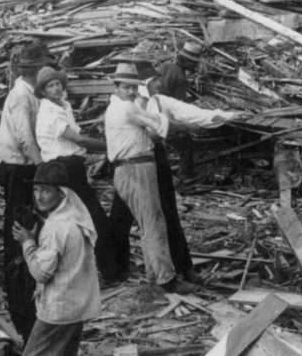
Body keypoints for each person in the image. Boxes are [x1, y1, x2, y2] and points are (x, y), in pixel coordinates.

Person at [111, 72, 243, 283]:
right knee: (122, 217)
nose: (157, 84)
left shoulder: (159, 101)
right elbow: (159, 126)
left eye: (156, 80)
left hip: (154, 158)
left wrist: (223, 116)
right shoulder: (123, 105)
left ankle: (182, 268)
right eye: (152, 81)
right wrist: (179, 126)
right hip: (132, 162)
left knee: (167, 213)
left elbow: (190, 112)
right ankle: (118, 270)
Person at [104, 63, 193, 293]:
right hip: (135, 168)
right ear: (116, 87)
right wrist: (188, 123)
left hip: (135, 167)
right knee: (154, 225)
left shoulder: (122, 106)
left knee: (149, 223)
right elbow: (157, 126)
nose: (131, 92)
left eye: (134, 87)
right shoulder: (126, 108)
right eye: (126, 88)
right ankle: (167, 280)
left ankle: (155, 276)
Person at [34, 66, 120, 281]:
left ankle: (94, 269)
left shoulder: (62, 106)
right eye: (50, 86)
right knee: (92, 217)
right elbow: (78, 140)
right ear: (43, 92)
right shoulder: (49, 112)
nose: (56, 88)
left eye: (57, 84)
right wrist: (111, 147)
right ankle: (110, 271)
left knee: (77, 218)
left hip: (69, 166)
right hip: (62, 169)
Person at [0, 42, 50, 342]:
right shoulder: (20, 97)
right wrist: (44, 172)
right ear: (33, 70)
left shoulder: (31, 93)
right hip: (18, 169)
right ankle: (19, 292)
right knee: (19, 228)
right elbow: (26, 139)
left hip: (24, 167)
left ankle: (28, 276)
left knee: (30, 224)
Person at [12, 161, 100, 356]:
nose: (39, 196)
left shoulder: (55, 227)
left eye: (46, 191)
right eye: (36, 189)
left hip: (57, 310)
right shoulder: (75, 216)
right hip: (75, 306)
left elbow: (41, 274)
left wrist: (27, 243)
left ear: (61, 193)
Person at [155, 41, 204, 177]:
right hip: (165, 116)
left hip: (154, 113)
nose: (195, 65)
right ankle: (186, 177)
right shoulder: (179, 76)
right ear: (186, 61)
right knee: (186, 145)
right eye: (193, 62)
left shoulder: (166, 67)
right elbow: (177, 105)